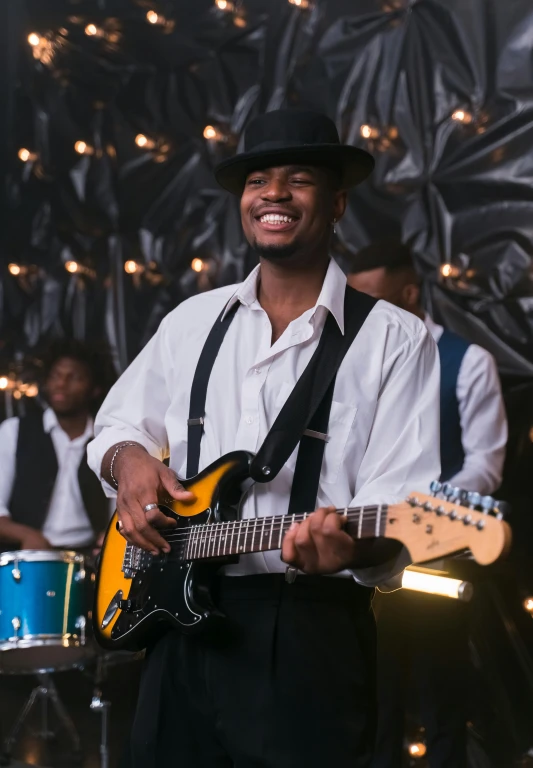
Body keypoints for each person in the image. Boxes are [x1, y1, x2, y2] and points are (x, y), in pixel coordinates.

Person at [88, 110, 441, 768]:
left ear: (335, 203)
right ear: (243, 203)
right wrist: (128, 459)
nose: (272, 193)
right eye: (257, 180)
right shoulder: (193, 319)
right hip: (176, 622)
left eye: (298, 178)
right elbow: (116, 427)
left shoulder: (395, 337)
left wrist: (348, 547)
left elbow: (404, 499)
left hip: (308, 632)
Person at [347, 239, 508, 768]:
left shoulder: (469, 362)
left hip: (437, 561)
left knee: (443, 692)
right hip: (364, 556)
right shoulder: (351, 365)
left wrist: (410, 510)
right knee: (374, 695)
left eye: (372, 299)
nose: (360, 313)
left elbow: (484, 466)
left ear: (409, 292)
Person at [0, 340, 112, 552]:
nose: (61, 384)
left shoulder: (107, 438)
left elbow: (119, 509)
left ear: (95, 389)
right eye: (56, 376)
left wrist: (109, 539)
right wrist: (27, 535)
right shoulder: (14, 431)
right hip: (25, 557)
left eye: (74, 377)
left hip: (87, 559)